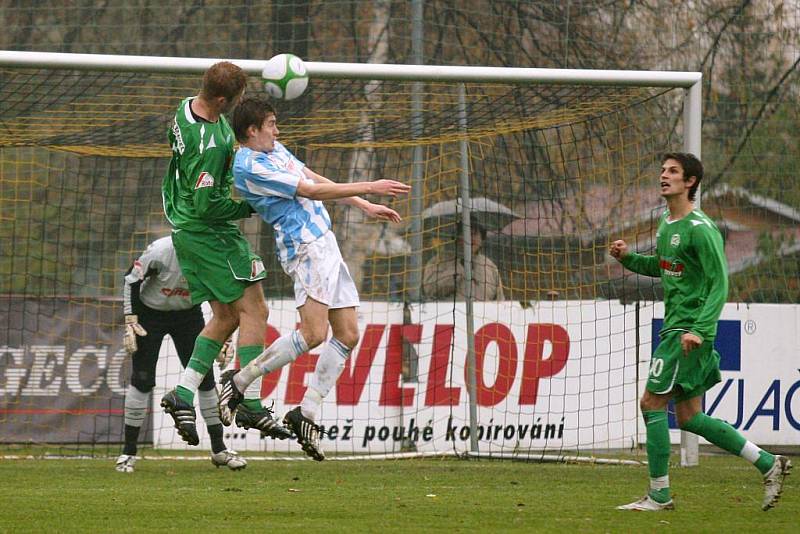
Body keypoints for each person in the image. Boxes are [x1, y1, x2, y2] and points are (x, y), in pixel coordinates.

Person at [218, 95, 410, 460]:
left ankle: (304, 412)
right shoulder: (248, 166)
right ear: (252, 130)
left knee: (349, 333)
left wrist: (364, 205)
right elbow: (307, 190)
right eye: (271, 124)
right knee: (313, 333)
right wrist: (368, 186)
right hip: (304, 247)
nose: (277, 130)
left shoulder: (273, 150)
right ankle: (238, 381)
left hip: (325, 244)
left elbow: (310, 176)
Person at [611, 152, 791, 512]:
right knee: (691, 417)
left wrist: (699, 329)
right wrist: (628, 258)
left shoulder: (701, 229)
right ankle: (768, 463)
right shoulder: (667, 225)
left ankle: (660, 495)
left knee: (651, 403)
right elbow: (664, 267)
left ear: (690, 182)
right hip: (676, 328)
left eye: (673, 171)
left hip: (687, 331)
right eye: (662, 170)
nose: (664, 176)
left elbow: (718, 284)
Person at [160, 62, 291, 445]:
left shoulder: (187, 107)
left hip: (187, 228)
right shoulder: (210, 145)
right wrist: (251, 206)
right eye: (233, 101)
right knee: (256, 310)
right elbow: (206, 204)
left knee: (226, 315)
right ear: (221, 100)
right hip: (207, 231)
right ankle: (250, 400)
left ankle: (183, 392)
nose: (236, 108)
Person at [116, 236, 245, 472]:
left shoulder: (213, 252)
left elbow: (223, 293)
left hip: (188, 315)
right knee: (142, 380)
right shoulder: (161, 251)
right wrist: (130, 318)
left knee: (205, 379)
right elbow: (131, 279)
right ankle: (128, 452)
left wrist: (226, 334)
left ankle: (219, 449)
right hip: (149, 314)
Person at [422, 221, 505, 301]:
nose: (470, 238)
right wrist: (459, 271)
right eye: (466, 234)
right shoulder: (439, 261)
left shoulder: (489, 266)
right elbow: (429, 290)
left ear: (482, 238)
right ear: (456, 237)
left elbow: (500, 301)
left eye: (474, 234)